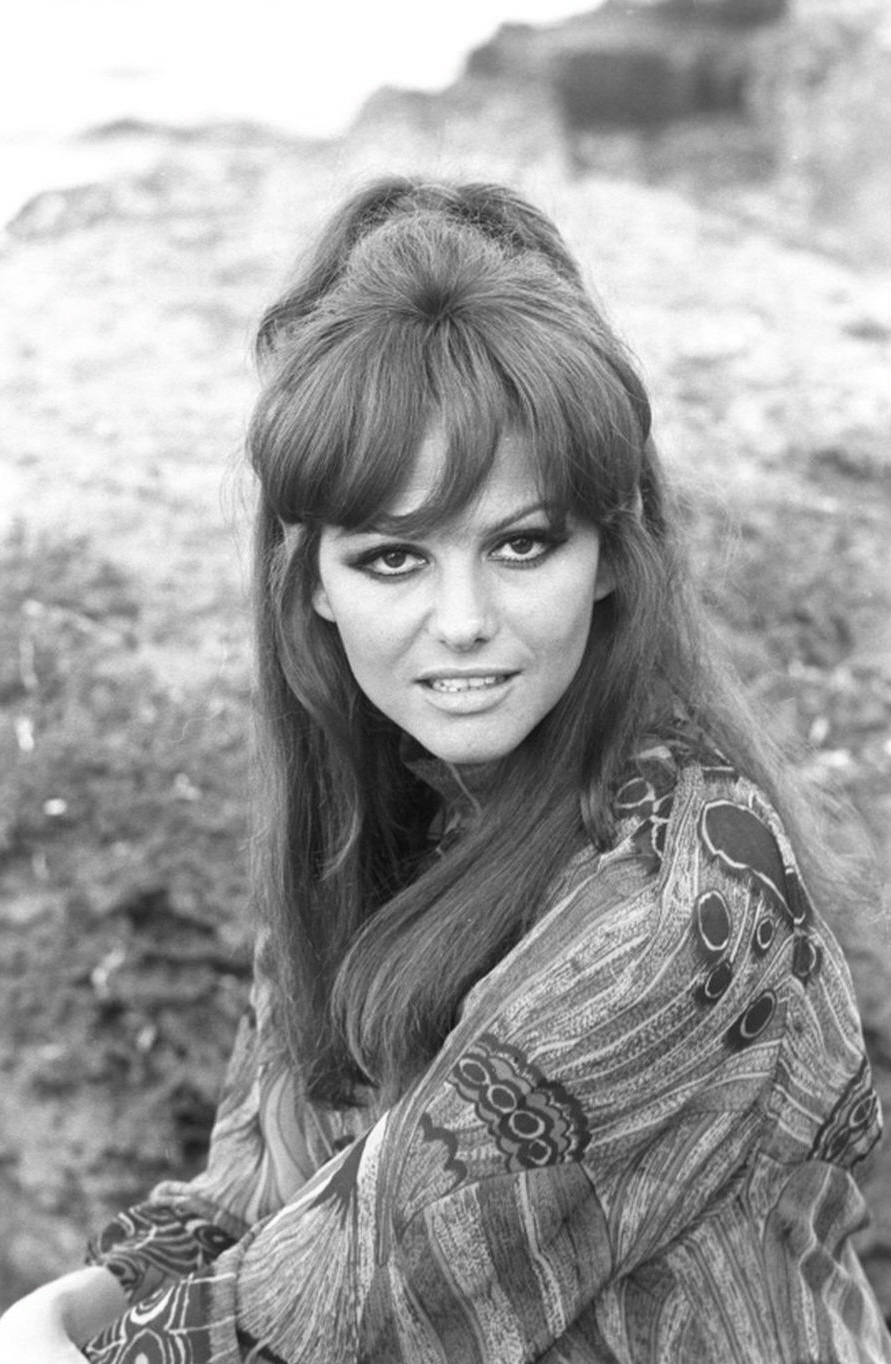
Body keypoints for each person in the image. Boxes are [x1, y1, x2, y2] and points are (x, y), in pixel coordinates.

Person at [1, 176, 888, 1363]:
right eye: (394, 558)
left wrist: (55, 1330)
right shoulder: (382, 808)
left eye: (521, 543)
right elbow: (250, 1187)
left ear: (610, 554)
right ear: (311, 581)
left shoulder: (684, 907)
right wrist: (84, 1300)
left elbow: (339, 1306)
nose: (463, 621)